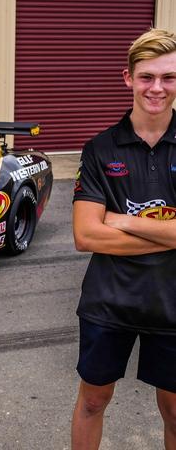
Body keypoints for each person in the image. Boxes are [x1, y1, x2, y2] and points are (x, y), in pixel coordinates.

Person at [71, 28, 176, 449]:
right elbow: (85, 234)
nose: (157, 87)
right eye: (147, 76)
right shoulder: (100, 149)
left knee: (174, 411)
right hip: (108, 302)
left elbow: (104, 227)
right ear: (128, 78)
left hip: (172, 303)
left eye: (168, 77)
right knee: (93, 401)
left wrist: (123, 220)